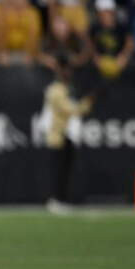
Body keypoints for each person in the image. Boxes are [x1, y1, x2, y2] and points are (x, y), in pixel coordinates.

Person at [42, 56, 94, 211]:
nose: (69, 73)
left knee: (65, 170)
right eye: (67, 69)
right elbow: (69, 109)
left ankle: (62, 199)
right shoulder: (55, 90)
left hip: (65, 135)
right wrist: (87, 103)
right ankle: (55, 200)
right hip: (56, 136)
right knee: (58, 170)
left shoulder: (64, 88)